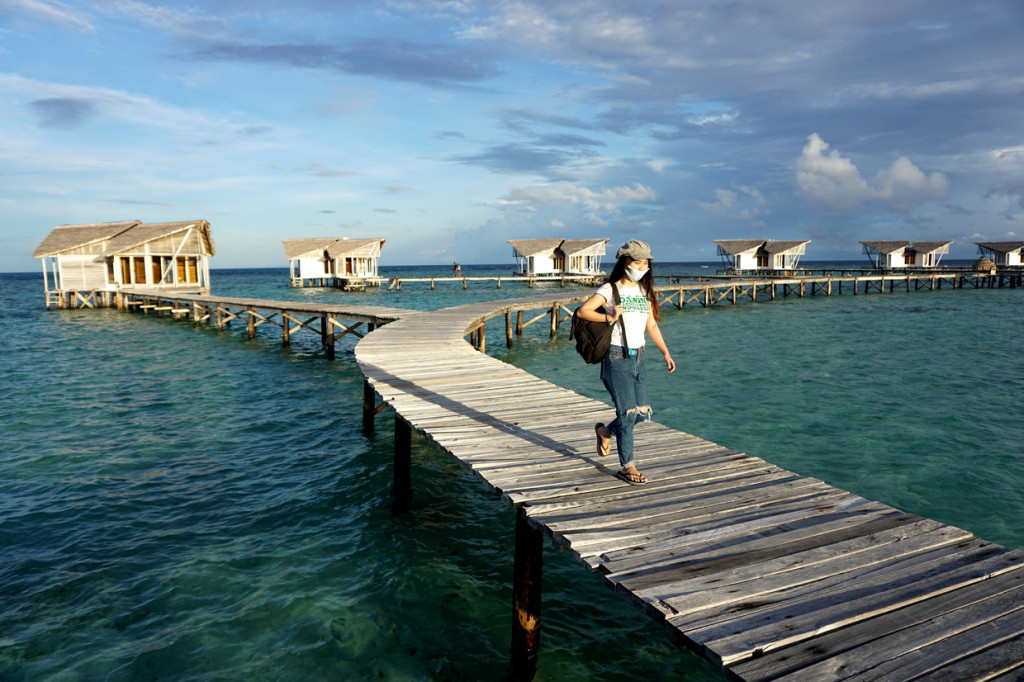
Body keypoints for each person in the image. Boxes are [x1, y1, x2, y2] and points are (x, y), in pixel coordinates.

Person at [576, 240, 675, 485]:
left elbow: (650, 324)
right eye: (637, 262)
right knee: (627, 413)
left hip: (639, 355)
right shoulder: (611, 289)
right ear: (625, 263)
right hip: (616, 356)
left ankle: (605, 432)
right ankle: (627, 466)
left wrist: (665, 352)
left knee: (641, 412)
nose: (641, 267)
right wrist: (608, 315)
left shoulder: (644, 291)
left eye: (645, 263)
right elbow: (583, 311)